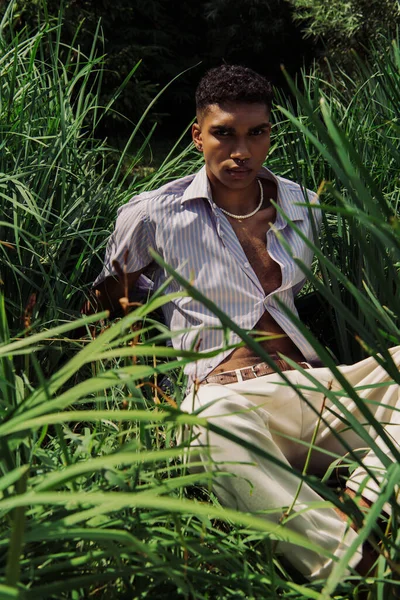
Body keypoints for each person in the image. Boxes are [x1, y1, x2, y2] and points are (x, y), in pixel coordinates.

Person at [89, 65, 400, 580]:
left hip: (314, 389)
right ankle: (352, 567)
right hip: (223, 397)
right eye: (224, 133)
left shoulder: (304, 204)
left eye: (256, 133)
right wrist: (140, 391)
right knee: (210, 427)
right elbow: (109, 304)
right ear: (197, 136)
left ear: (270, 135)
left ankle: (366, 501)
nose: (242, 151)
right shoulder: (151, 214)